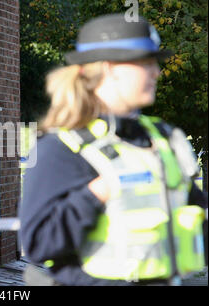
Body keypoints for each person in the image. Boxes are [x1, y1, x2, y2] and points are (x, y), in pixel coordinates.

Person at [19, 14, 208, 286]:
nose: (156, 72)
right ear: (108, 69)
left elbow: (197, 214)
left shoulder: (162, 138)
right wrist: (97, 193)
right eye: (145, 63)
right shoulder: (60, 147)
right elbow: (38, 243)